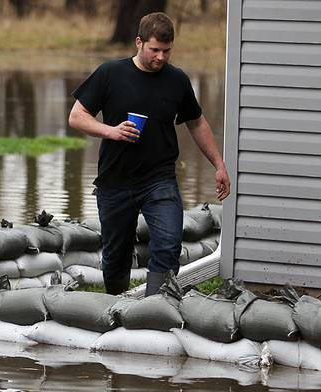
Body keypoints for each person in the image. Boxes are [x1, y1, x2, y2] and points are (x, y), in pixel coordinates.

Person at [68, 12, 230, 296]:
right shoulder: (110, 73)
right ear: (139, 42)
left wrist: (218, 165)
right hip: (115, 181)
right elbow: (77, 117)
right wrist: (112, 131)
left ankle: (155, 307)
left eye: (167, 51)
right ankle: (116, 306)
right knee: (116, 257)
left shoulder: (177, 80)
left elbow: (197, 122)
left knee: (168, 242)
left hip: (159, 178)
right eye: (155, 50)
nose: (161, 57)